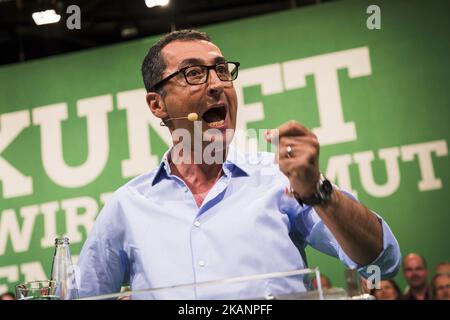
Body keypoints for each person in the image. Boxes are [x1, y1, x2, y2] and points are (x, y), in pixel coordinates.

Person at [77, 29, 401, 299]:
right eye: (193, 73)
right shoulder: (127, 207)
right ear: (157, 103)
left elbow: (381, 261)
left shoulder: (280, 179)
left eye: (221, 70)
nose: (217, 84)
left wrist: (319, 192)